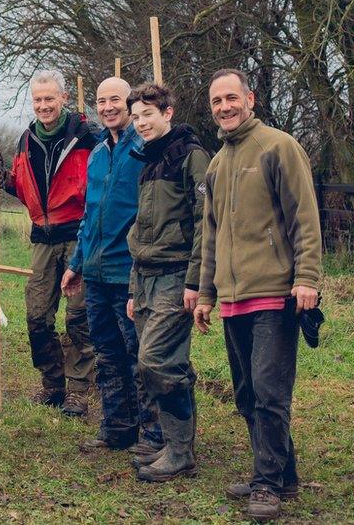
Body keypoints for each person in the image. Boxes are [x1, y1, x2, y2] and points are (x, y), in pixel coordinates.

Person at [194, 69, 322, 521]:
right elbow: (212, 236)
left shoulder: (278, 147)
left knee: (270, 390)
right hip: (232, 298)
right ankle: (282, 474)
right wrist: (206, 292)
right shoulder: (216, 164)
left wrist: (307, 277)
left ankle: (265, 483)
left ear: (249, 98)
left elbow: (304, 218)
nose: (224, 107)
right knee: (247, 393)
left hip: (275, 292)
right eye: (216, 102)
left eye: (231, 98)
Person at [0, 70, 97, 417]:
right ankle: (53, 384)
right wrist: (1, 177)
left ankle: (79, 390)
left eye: (50, 99)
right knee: (37, 317)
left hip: (78, 234)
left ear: (64, 98)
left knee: (78, 317)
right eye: (38, 100)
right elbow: (25, 190)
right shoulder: (27, 139)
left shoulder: (85, 137)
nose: (44, 105)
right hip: (42, 238)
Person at [62, 77, 163, 454]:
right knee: (106, 354)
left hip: (130, 271)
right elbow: (90, 214)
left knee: (138, 354)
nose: (107, 107)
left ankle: (153, 434)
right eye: (101, 101)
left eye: (115, 100)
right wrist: (76, 262)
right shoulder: (98, 154)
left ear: (130, 103)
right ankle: (117, 427)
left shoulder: (145, 150)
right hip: (96, 273)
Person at [124, 83, 209, 482]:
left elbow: (205, 223)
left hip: (177, 276)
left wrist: (197, 282)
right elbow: (141, 229)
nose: (141, 123)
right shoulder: (149, 159)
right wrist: (131, 287)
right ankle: (176, 444)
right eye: (136, 117)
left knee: (156, 360)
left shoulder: (191, 156)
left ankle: (179, 451)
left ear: (168, 112)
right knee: (162, 363)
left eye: (148, 115)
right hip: (144, 278)